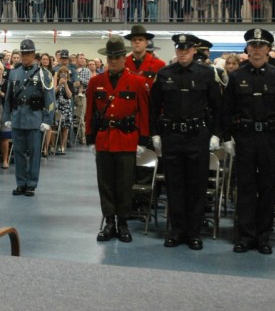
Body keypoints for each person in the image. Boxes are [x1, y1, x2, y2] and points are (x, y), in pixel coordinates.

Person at [150, 33, 223, 250]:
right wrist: (154, 134)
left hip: (197, 136)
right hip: (172, 135)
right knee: (174, 185)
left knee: (196, 185)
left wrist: (216, 134)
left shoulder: (207, 74)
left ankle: (194, 233)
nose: (183, 52)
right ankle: (176, 230)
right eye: (179, 49)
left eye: (187, 49)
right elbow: (154, 107)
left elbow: (218, 107)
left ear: (194, 50)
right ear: (176, 50)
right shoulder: (164, 74)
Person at [223, 29, 275, 255]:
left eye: (261, 46)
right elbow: (227, 111)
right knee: (244, 187)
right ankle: (244, 235)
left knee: (267, 188)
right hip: (244, 138)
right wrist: (227, 138)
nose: (256, 50)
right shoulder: (236, 77)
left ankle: (263, 236)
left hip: (270, 138)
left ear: (268, 49)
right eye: (253, 45)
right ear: (247, 49)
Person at [85, 35, 150, 242]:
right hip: (104, 140)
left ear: (124, 58)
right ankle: (109, 222)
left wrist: (142, 140)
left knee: (124, 184)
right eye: (110, 57)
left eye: (117, 57)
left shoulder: (137, 82)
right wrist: (90, 138)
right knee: (105, 183)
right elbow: (89, 112)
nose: (113, 61)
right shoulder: (96, 82)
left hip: (126, 140)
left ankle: (123, 223)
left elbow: (143, 113)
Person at [3, 39, 55, 197]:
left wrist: (47, 120)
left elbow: (50, 99)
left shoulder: (43, 73)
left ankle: (31, 184)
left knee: (34, 154)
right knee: (18, 152)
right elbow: (9, 98)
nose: (25, 56)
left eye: (28, 54)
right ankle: (20, 183)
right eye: (23, 54)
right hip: (18, 117)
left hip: (34, 118)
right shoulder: (14, 72)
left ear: (34, 55)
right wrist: (7, 116)